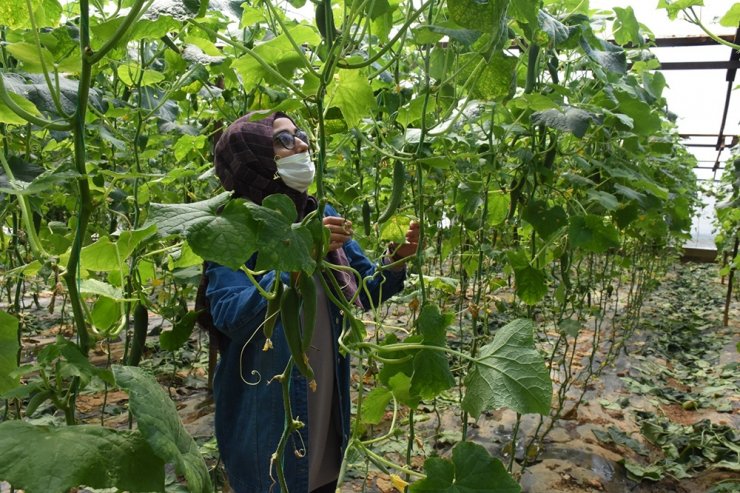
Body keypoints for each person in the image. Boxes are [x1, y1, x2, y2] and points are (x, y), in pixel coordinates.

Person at [196, 111, 420, 493]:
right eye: (283, 140)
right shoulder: (233, 226)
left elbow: (362, 290)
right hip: (267, 415)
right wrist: (297, 258)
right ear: (254, 158)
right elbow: (229, 314)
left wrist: (396, 260)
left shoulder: (321, 213)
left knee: (317, 480)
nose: (301, 144)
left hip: (322, 400)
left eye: (299, 134)